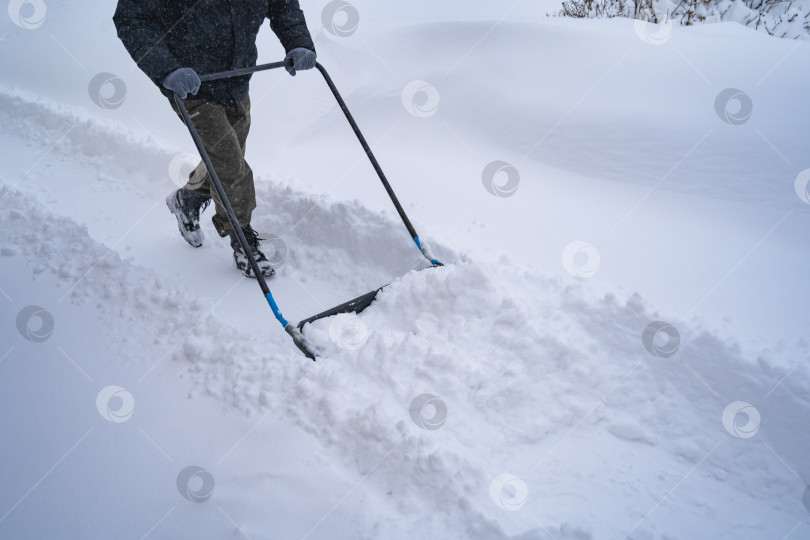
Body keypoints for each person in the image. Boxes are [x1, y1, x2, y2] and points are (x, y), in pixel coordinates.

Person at [112, 0, 316, 278]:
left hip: (236, 80)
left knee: (222, 159)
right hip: (191, 88)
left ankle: (189, 198)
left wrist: (298, 42)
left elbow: (282, 6)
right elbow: (132, 19)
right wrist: (166, 69)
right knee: (230, 165)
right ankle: (242, 243)